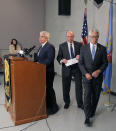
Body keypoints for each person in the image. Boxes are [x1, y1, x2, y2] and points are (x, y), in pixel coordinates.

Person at [79, 29, 108, 127]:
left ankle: (92, 111)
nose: (95, 39)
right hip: (87, 77)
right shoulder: (83, 48)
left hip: (98, 78)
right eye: (93, 37)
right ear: (89, 37)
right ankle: (87, 117)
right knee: (87, 96)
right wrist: (86, 73)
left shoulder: (103, 49)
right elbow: (81, 63)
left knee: (95, 96)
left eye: (96, 37)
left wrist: (99, 71)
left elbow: (105, 63)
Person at [57, 31, 83, 109]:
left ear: (73, 36)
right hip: (66, 69)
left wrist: (80, 56)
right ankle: (67, 102)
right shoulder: (62, 46)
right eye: (68, 36)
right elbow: (58, 57)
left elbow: (84, 54)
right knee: (66, 87)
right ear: (66, 37)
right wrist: (62, 60)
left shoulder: (79, 44)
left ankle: (80, 103)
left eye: (71, 36)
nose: (70, 38)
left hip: (77, 68)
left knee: (79, 87)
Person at [34, 31, 59, 116]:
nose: (40, 38)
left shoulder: (50, 47)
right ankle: (47, 105)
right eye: (40, 36)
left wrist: (39, 64)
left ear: (47, 38)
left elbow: (49, 60)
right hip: (41, 72)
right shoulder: (41, 47)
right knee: (45, 90)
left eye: (42, 36)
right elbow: (39, 58)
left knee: (49, 89)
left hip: (48, 72)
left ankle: (53, 108)